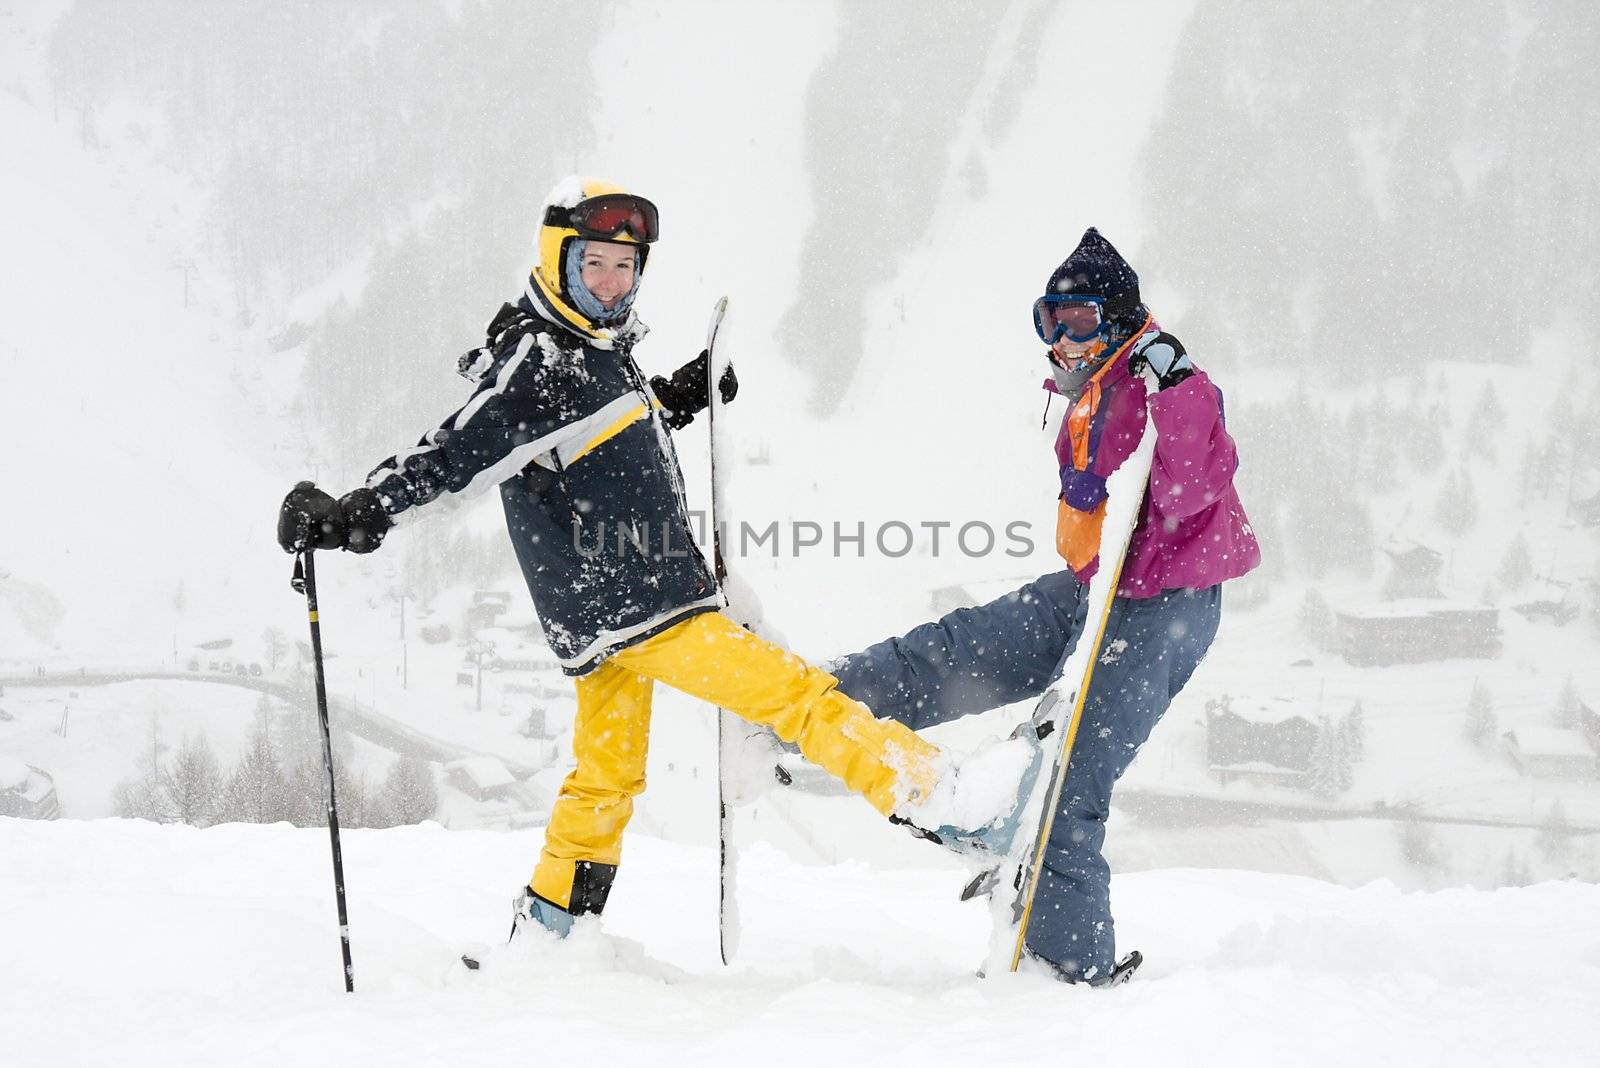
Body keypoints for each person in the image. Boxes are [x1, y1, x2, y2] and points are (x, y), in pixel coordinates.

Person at [276, 177, 1034, 940]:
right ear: (557, 263)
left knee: (606, 775)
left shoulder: (594, 348)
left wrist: (675, 395)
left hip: (601, 616)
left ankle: (552, 924)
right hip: (640, 605)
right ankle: (950, 802)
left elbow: (598, 439)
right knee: (797, 695)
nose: (610, 282)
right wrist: (356, 512)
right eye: (593, 264)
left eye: (624, 267)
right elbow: (458, 455)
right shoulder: (545, 360)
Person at [829, 227, 1260, 984]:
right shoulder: (1091, 389)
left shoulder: (1167, 387)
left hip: (1163, 608)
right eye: (1049, 320)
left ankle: (1065, 975)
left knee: (1065, 788)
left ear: (1120, 317)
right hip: (1099, 586)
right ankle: (815, 702)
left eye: (1081, 319)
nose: (1061, 338)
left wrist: (1182, 386)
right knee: (960, 648)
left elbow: (1197, 487)